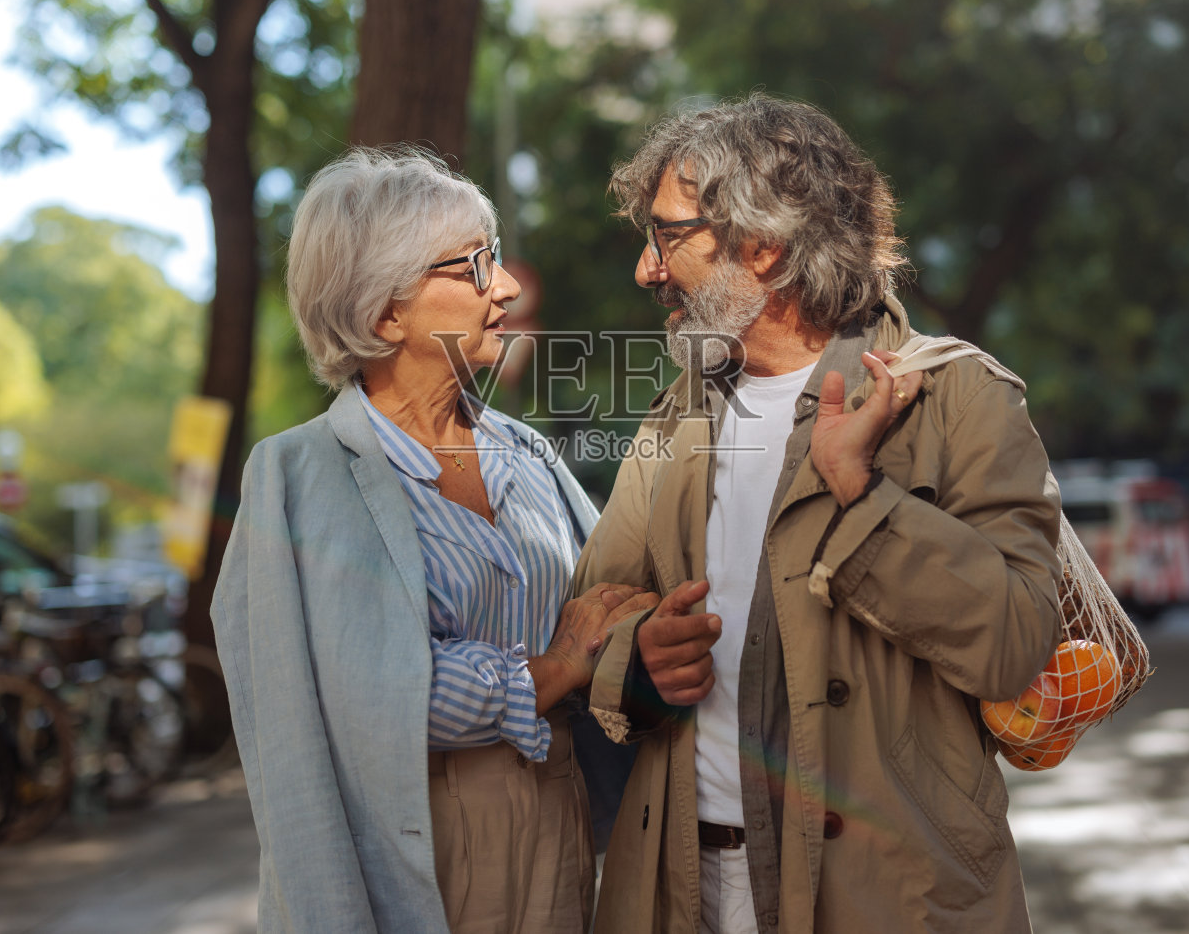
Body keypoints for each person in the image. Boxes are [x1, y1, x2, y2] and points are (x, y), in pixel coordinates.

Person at [576, 94, 1063, 934]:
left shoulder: (959, 398)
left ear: (762, 246)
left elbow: (1017, 642)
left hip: (892, 902)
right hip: (680, 893)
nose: (647, 270)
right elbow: (595, 614)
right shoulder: (675, 412)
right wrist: (643, 659)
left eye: (668, 235)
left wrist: (863, 500)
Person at [211, 146, 656, 934]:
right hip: (420, 835)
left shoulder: (529, 452)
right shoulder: (299, 475)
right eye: (475, 265)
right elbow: (373, 683)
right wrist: (552, 666)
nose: (508, 285)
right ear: (387, 313)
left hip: (560, 810)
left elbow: (604, 604)